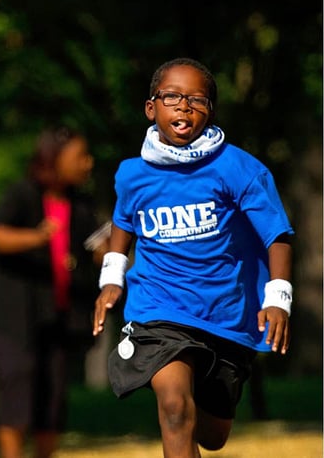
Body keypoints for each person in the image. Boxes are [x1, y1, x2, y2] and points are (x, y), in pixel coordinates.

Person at [93, 57, 294, 458]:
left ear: (210, 112)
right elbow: (123, 223)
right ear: (151, 108)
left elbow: (278, 234)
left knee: (213, 435)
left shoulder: (236, 168)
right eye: (171, 97)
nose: (183, 107)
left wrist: (278, 299)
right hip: (159, 309)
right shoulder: (133, 174)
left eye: (196, 100)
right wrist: (111, 278)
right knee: (173, 407)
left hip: (226, 316)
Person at [0, 127, 104, 458]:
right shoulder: (23, 194)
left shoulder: (82, 204)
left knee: (54, 391)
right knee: (19, 378)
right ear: (54, 159)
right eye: (80, 157)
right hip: (10, 314)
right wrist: (37, 238)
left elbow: (97, 246)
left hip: (56, 316)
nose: (87, 163)